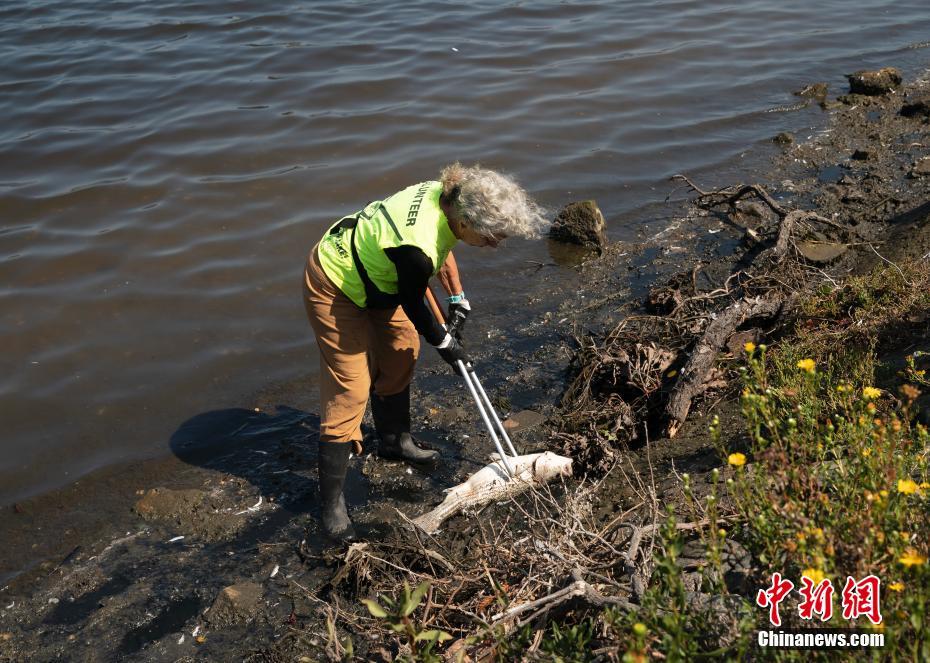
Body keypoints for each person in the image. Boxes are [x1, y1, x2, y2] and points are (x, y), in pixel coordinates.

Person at [302, 163, 548, 540]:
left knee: (402, 350)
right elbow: (414, 298)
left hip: (380, 274)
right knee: (350, 388)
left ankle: (394, 441)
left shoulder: (449, 198)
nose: (495, 244)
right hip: (335, 283)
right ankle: (331, 505)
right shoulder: (416, 247)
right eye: (491, 236)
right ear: (465, 221)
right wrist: (447, 344)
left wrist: (458, 299)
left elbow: (441, 250)